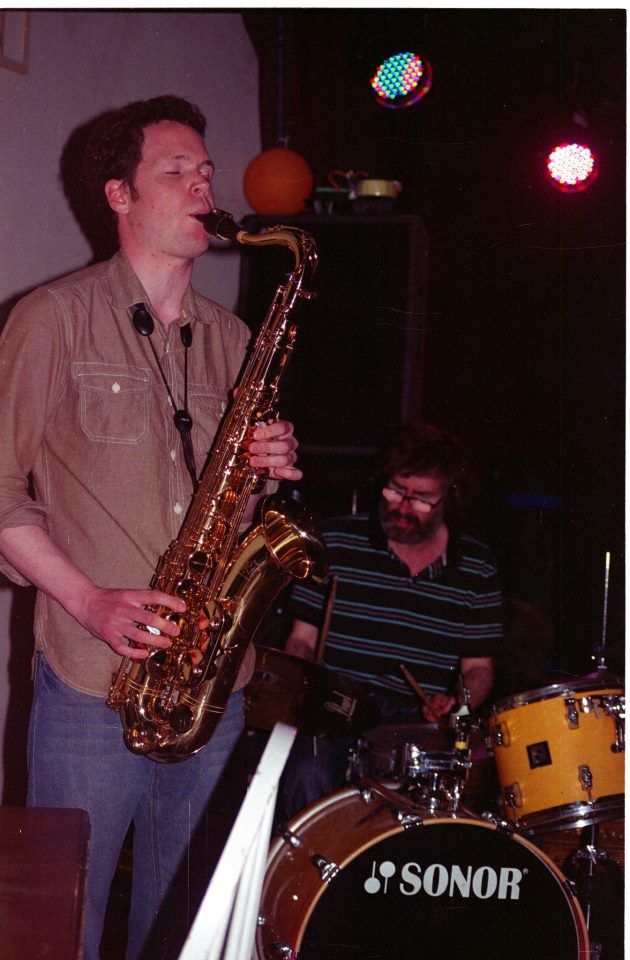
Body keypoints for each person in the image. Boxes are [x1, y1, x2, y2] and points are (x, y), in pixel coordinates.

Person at [0, 95, 302, 960]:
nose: (204, 186)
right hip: (92, 683)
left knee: (187, 926)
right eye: (176, 172)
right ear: (120, 195)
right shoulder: (53, 318)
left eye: (206, 171)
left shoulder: (234, 339)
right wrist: (89, 601)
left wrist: (261, 472)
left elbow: (231, 512)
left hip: (213, 683)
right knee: (62, 926)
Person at [281, 421, 503, 818]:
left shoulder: (476, 566)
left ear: (449, 498)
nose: (403, 507)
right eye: (396, 490)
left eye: (422, 499)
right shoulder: (336, 542)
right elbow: (301, 641)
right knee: (306, 772)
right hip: (340, 711)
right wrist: (308, 688)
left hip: (419, 725)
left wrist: (458, 704)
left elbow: (479, 668)